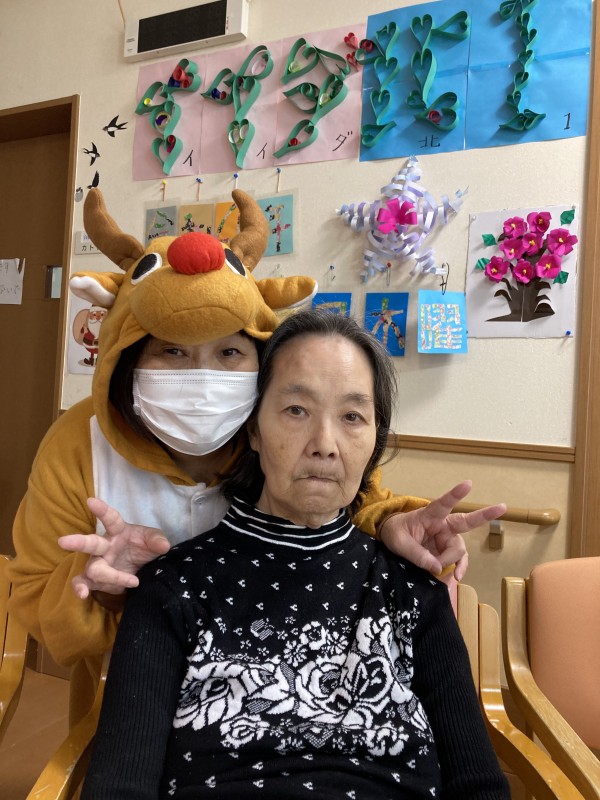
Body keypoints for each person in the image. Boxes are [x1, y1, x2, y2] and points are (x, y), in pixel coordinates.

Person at [7, 188, 502, 729]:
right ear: (127, 359)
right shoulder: (79, 443)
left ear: (259, 363)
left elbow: (351, 506)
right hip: (126, 708)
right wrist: (100, 586)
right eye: (171, 350)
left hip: (277, 700)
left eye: (229, 352)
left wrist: (390, 526)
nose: (202, 376)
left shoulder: (289, 430)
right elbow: (34, 598)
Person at [81, 309, 510, 800]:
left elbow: (478, 784)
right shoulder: (173, 586)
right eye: (296, 410)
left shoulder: (412, 588)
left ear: (375, 440)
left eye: (352, 417)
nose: (325, 445)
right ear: (254, 430)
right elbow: (119, 785)